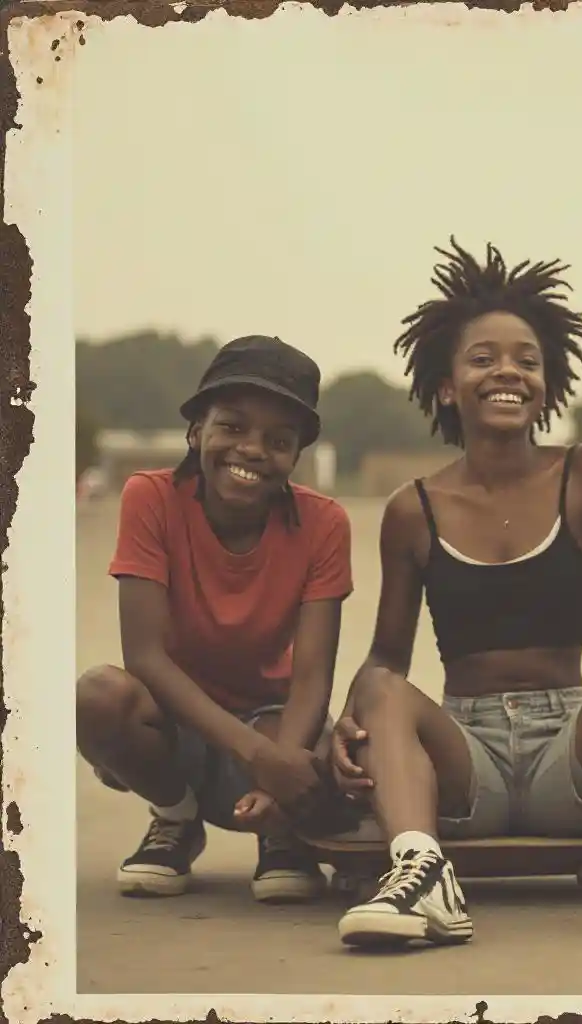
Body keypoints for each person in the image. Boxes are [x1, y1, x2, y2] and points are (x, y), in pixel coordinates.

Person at [329, 239, 582, 947]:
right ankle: (421, 875)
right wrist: (350, 725)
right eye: (483, 359)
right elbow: (387, 655)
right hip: (467, 764)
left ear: (547, 382)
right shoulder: (413, 509)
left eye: (527, 361)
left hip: (577, 752)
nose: (507, 371)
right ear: (447, 387)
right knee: (377, 686)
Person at [76, 335, 355, 904]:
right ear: (196, 431)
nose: (252, 449)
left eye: (278, 440)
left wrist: (283, 772)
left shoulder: (324, 523)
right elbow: (145, 657)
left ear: (296, 456)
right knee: (97, 695)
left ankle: (280, 833)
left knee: (321, 744)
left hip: (274, 721)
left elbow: (312, 676)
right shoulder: (150, 498)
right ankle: (175, 818)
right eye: (231, 426)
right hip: (176, 724)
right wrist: (262, 760)